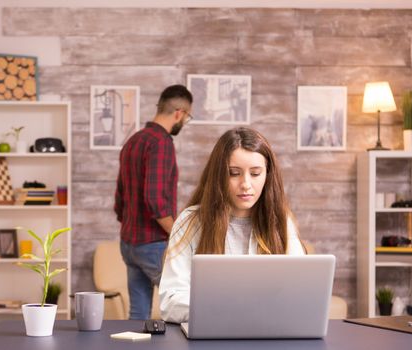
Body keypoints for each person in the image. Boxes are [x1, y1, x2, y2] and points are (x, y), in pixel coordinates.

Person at [158, 127, 305, 324]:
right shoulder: (190, 221)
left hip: (266, 333)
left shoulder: (281, 221)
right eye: (234, 173)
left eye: (255, 173)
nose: (245, 184)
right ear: (219, 175)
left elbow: (301, 293)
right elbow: (171, 300)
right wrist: (232, 310)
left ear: (268, 175)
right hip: (211, 333)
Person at [114, 84, 193, 320]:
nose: (184, 122)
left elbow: (120, 198)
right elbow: (155, 200)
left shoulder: (133, 141)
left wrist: (128, 224)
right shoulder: (161, 142)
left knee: (138, 315)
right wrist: (178, 234)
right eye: (187, 117)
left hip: (129, 244)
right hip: (153, 245)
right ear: (179, 113)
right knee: (187, 307)